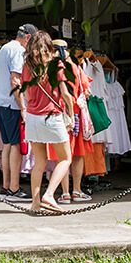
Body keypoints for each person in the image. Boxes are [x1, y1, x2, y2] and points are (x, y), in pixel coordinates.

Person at [18, 30, 75, 213]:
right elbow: (65, 94)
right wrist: (72, 115)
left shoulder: (27, 67)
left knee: (39, 161)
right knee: (65, 158)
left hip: (33, 117)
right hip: (52, 116)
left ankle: (35, 204)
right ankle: (49, 194)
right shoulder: (55, 64)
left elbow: (25, 94)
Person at [0, 23, 38, 202]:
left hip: (0, 102)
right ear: (27, 38)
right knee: (16, 145)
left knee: (8, 145)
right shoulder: (18, 51)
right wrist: (24, 107)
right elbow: (15, 80)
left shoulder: (4, 48)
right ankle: (14, 188)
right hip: (12, 104)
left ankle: (6, 187)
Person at [49, 39, 95, 203]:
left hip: (59, 114)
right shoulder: (76, 67)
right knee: (77, 154)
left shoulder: (52, 67)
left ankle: (65, 193)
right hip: (76, 113)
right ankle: (77, 190)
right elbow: (87, 91)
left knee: (62, 155)